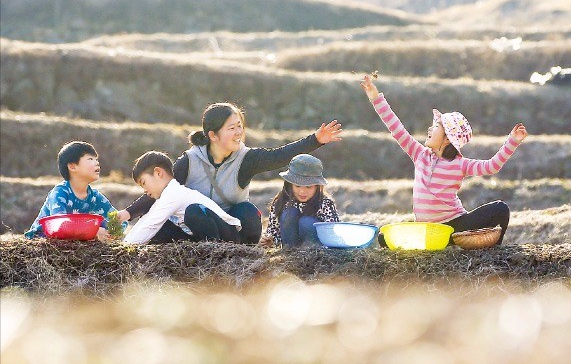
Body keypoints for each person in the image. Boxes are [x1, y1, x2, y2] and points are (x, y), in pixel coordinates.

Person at [118, 102, 343, 244]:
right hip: (201, 226)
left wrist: (315, 140)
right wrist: (128, 213)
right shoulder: (190, 160)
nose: (239, 133)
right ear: (213, 135)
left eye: (239, 126)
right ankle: (214, 250)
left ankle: (235, 252)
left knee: (248, 211)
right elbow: (161, 192)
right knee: (191, 214)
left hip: (232, 227)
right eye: (231, 128)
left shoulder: (246, 159)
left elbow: (280, 156)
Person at [358, 73, 528, 244]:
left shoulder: (460, 164)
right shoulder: (419, 154)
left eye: (436, 126)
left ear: (448, 138)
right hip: (428, 232)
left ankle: (487, 245)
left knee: (500, 209)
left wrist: (512, 141)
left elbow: (492, 166)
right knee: (384, 237)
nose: (430, 129)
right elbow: (396, 127)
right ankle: (452, 244)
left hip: (454, 227)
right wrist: (375, 97)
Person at [123, 151, 242, 245]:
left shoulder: (174, 193)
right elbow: (147, 219)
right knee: (162, 228)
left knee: (193, 211)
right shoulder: (165, 196)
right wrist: (124, 244)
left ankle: (213, 251)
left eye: (143, 183)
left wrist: (126, 248)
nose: (144, 190)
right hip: (199, 235)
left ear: (158, 173)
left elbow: (151, 224)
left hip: (226, 234)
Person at [25, 140, 120, 240]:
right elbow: (59, 225)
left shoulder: (95, 196)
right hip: (43, 237)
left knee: (102, 222)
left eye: (97, 159)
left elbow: (117, 218)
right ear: (72, 167)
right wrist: (93, 231)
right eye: (90, 159)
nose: (97, 163)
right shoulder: (60, 192)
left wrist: (114, 232)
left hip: (74, 240)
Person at [261, 154, 340, 248]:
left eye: (308, 186)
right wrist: (271, 241)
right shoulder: (281, 202)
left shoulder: (325, 203)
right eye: (297, 186)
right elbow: (273, 233)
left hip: (317, 250)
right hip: (290, 249)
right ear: (290, 184)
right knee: (288, 214)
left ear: (317, 186)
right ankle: (290, 252)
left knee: (306, 222)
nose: (302, 191)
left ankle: (310, 251)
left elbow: (333, 234)